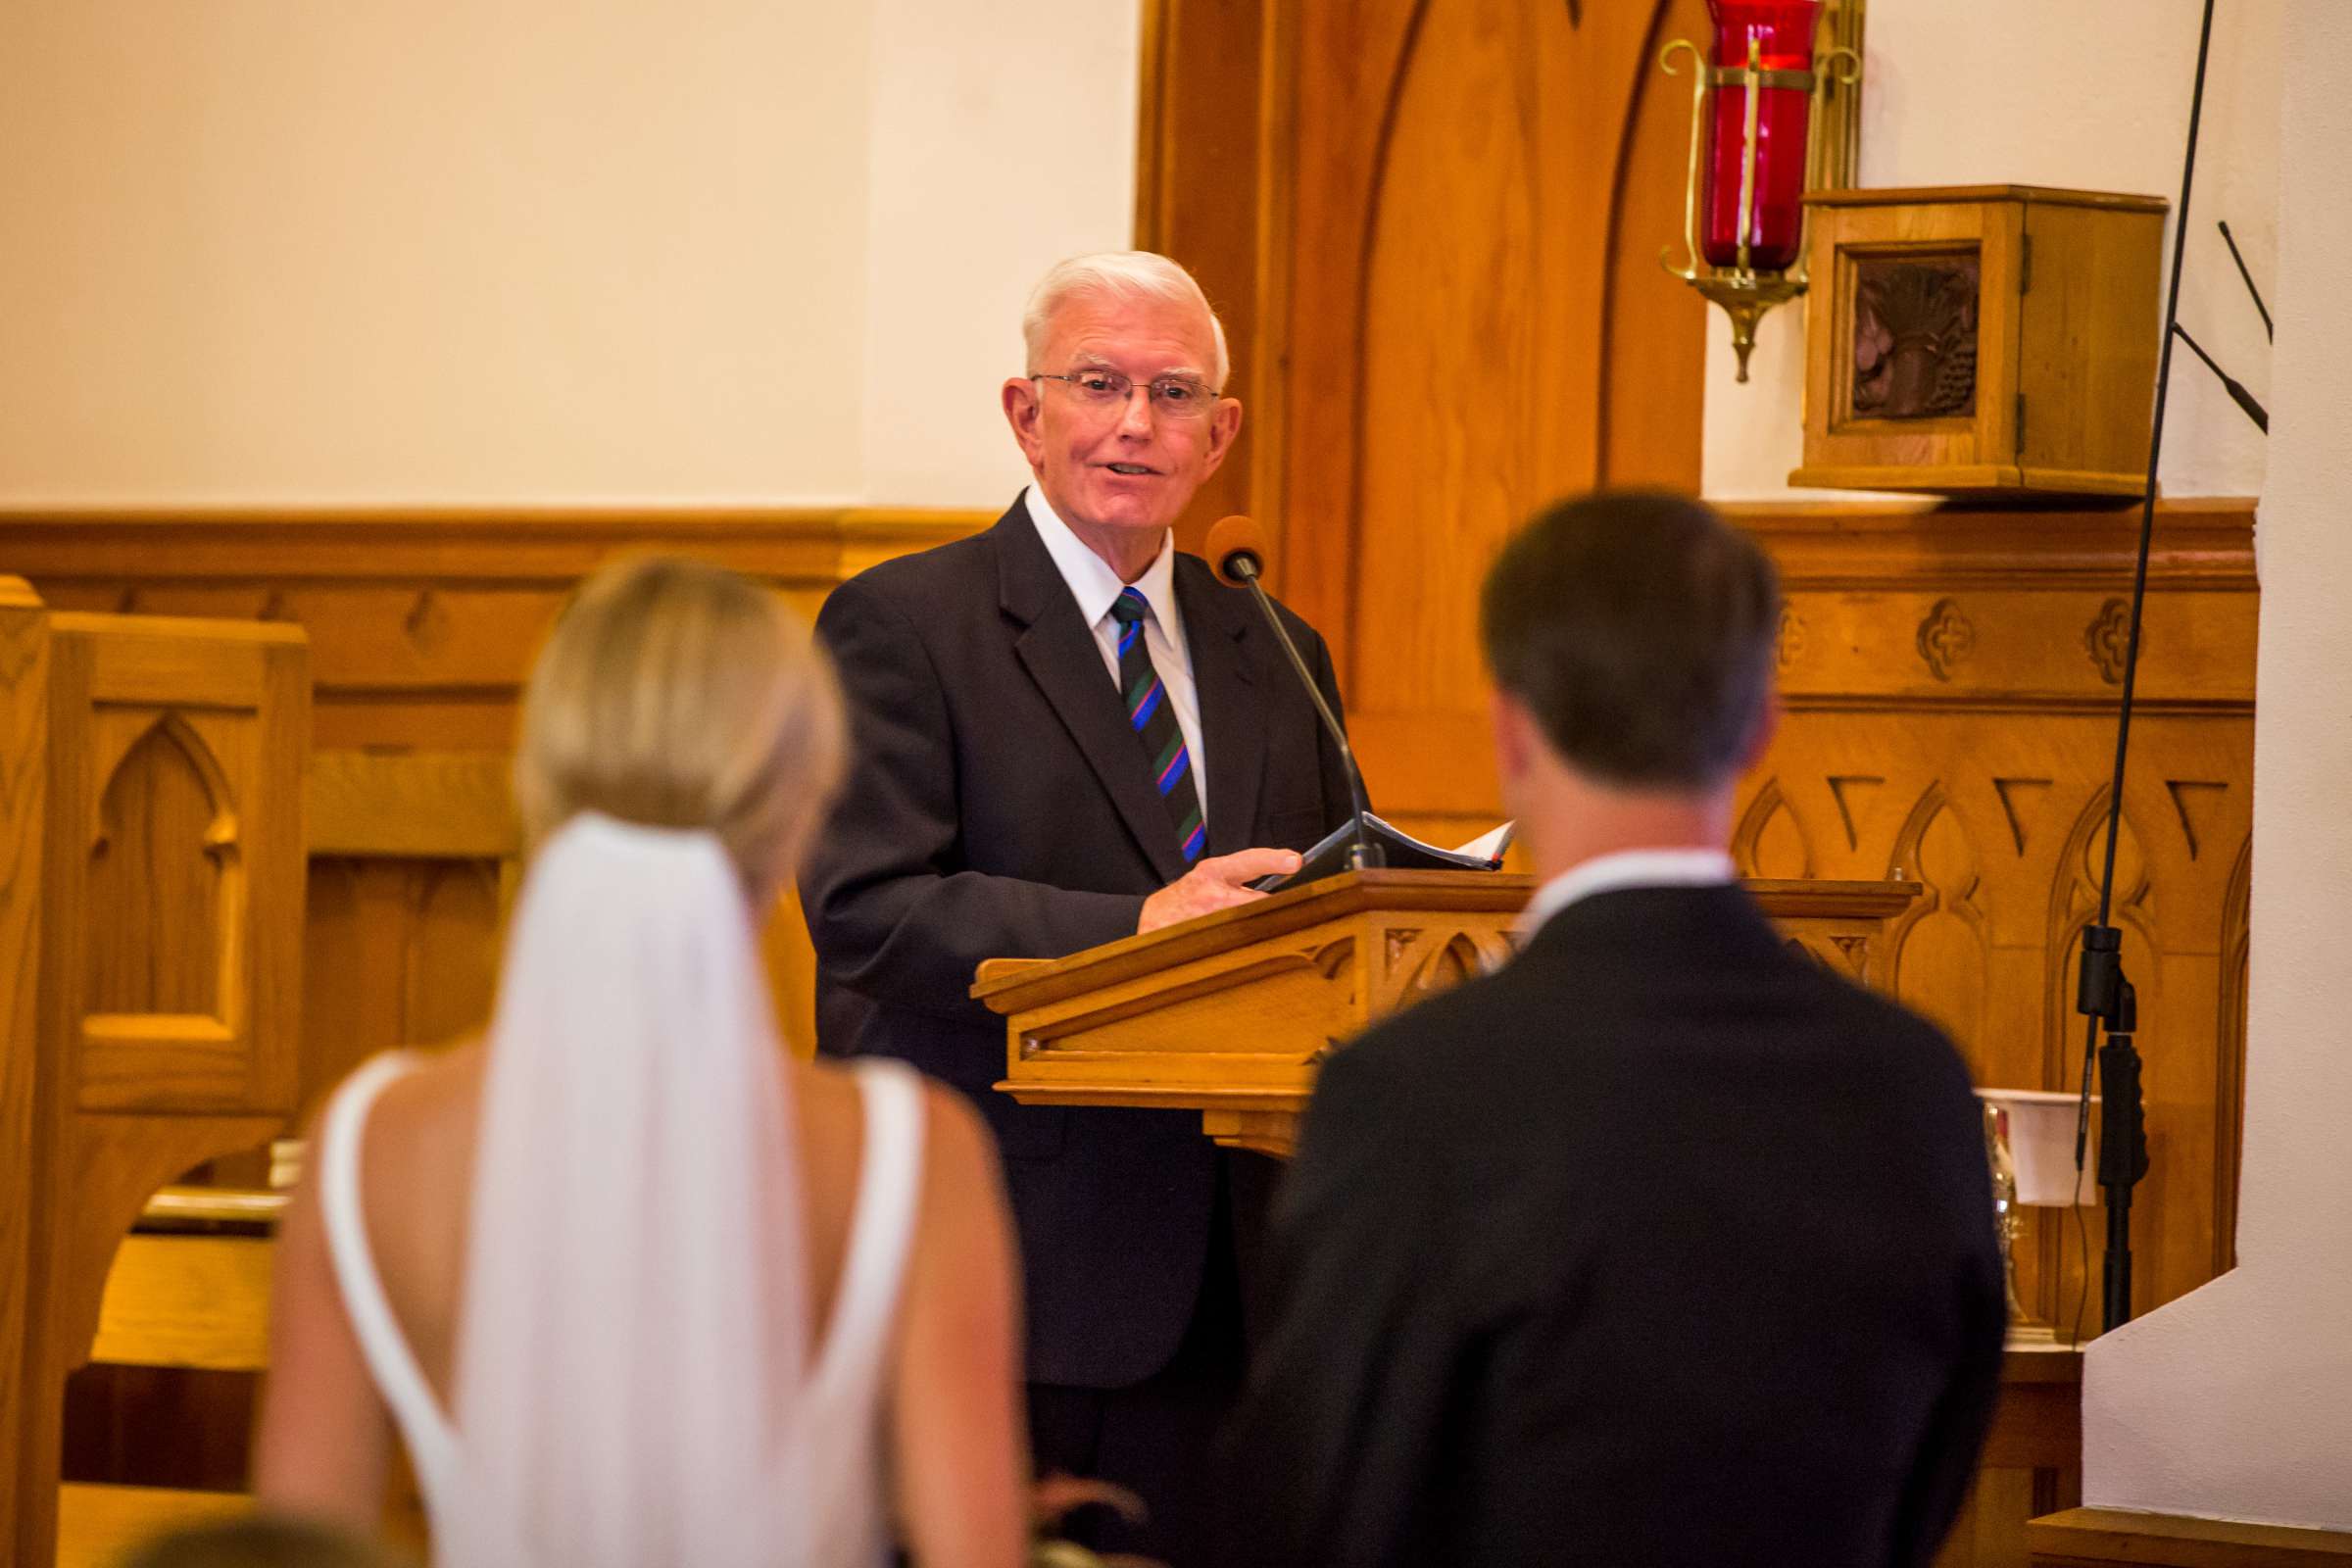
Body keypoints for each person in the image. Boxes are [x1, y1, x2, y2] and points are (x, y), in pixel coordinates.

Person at [1221, 491, 2007, 1567]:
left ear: (1510, 728)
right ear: (1761, 725)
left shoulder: (1411, 1091)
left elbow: (1324, 1507)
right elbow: (1938, 1465)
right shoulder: (1912, 1080)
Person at [252, 558, 1028, 1568]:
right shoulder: (911, 1154)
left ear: (540, 780)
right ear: (798, 811)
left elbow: (296, 1545)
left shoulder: (366, 1145)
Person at [798, 251, 1359, 1565]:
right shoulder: (904, 624)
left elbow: (1332, 905)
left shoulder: (1275, 647)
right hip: (1014, 1277)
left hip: (1247, 1282)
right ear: (1023, 410)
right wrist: (1138, 932)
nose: (1133, 424)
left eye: (1173, 395)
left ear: (1220, 435)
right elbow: (869, 913)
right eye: (1098, 385)